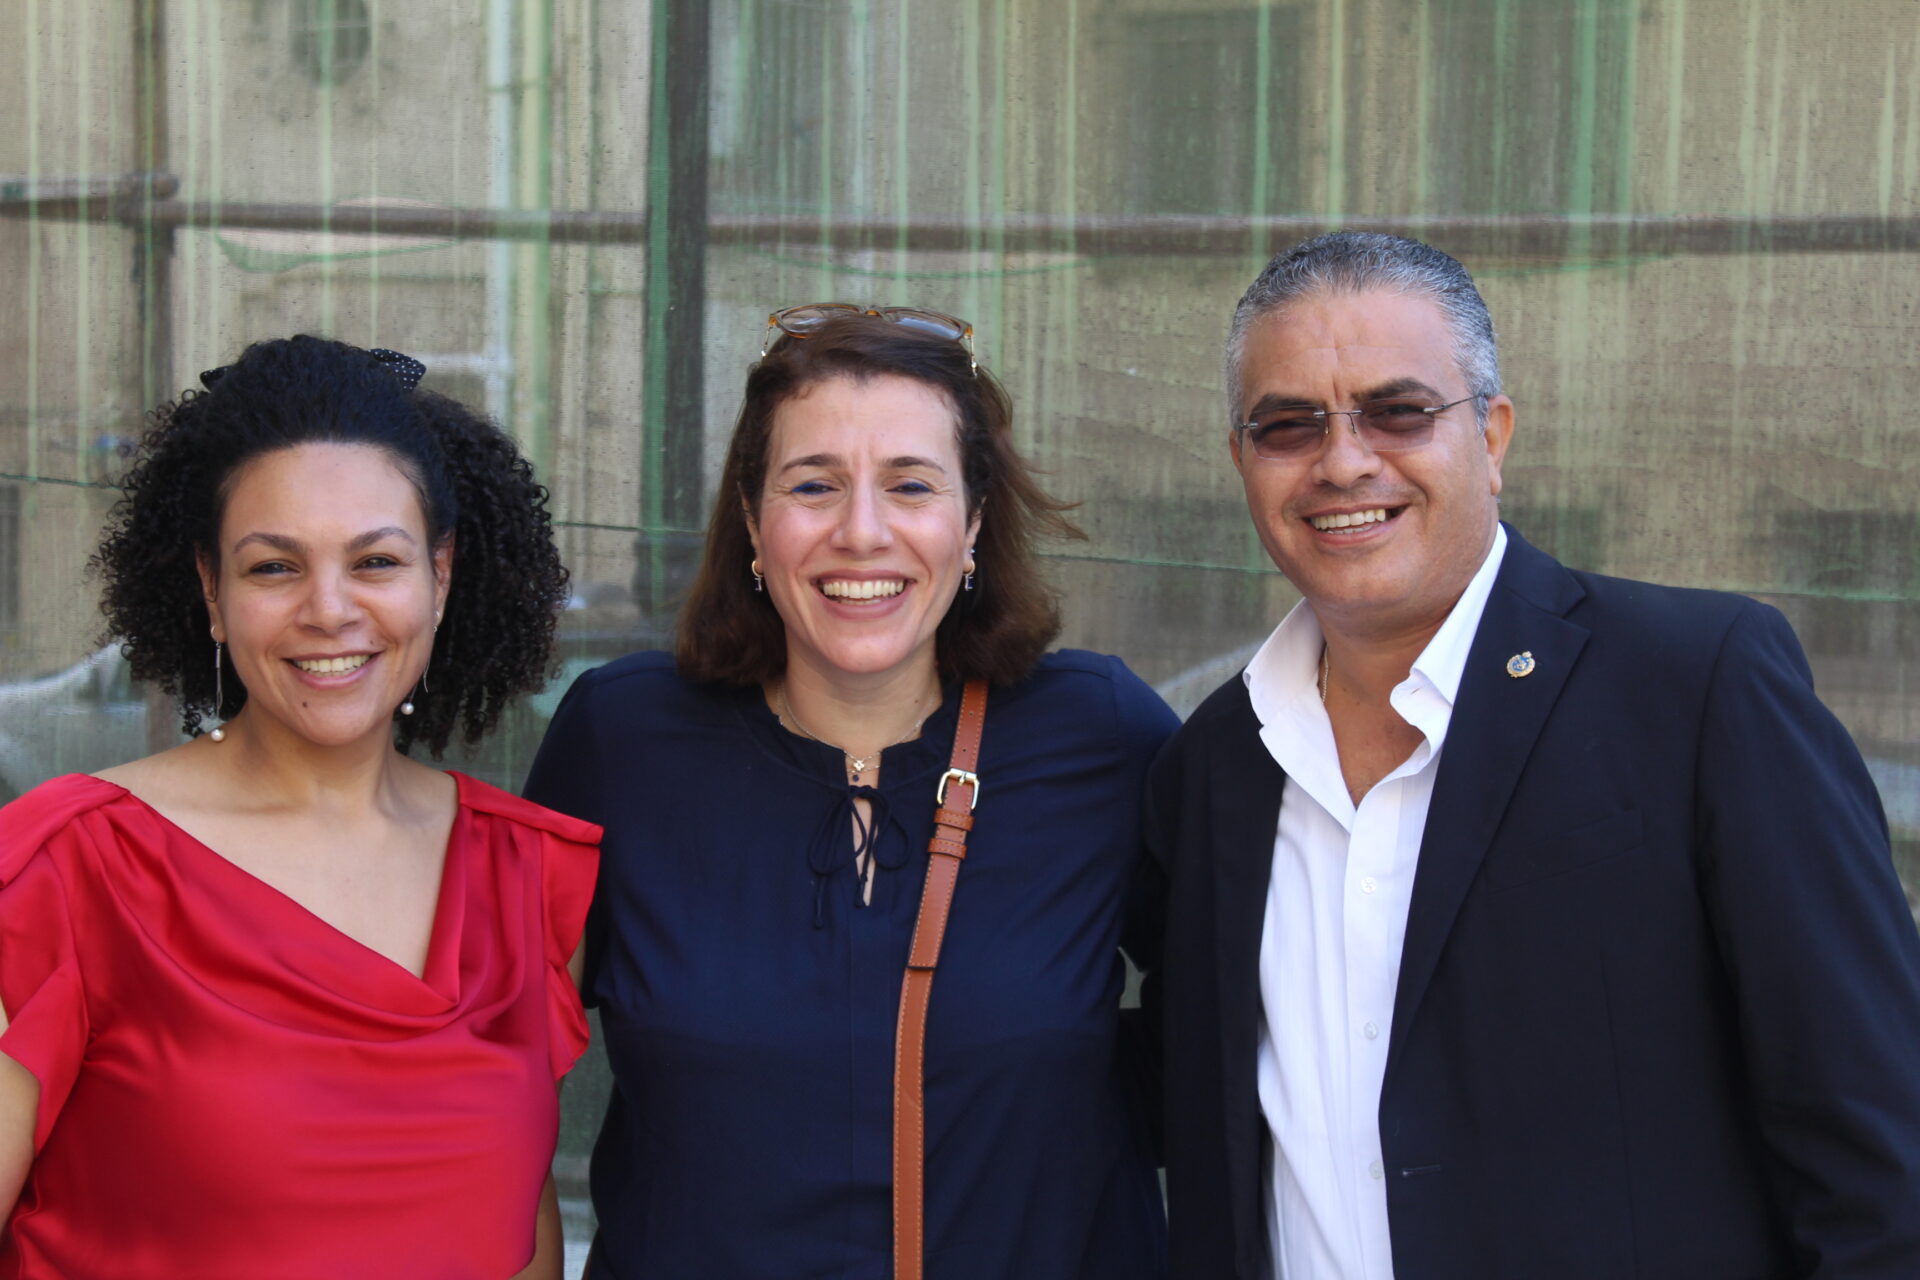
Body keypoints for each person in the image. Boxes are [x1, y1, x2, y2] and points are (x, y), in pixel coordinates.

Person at [1147, 232, 1920, 1279]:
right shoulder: (1210, 768)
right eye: (1289, 425)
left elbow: (1880, 1154)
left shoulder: (1697, 687)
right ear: (1242, 460)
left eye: (1398, 411)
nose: (1344, 461)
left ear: (1493, 434)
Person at [523, 304, 1176, 1279]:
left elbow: (1231, 1030)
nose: (861, 532)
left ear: (974, 521)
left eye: (911, 484)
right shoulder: (621, 740)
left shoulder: (1103, 734)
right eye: (813, 484)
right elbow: (497, 1075)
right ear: (753, 521)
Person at [0, 336, 598, 1278]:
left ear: (440, 576)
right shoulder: (66, 869)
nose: (329, 609)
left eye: (376, 561)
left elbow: (517, 1240)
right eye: (275, 568)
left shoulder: (525, 875)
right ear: (211, 589)